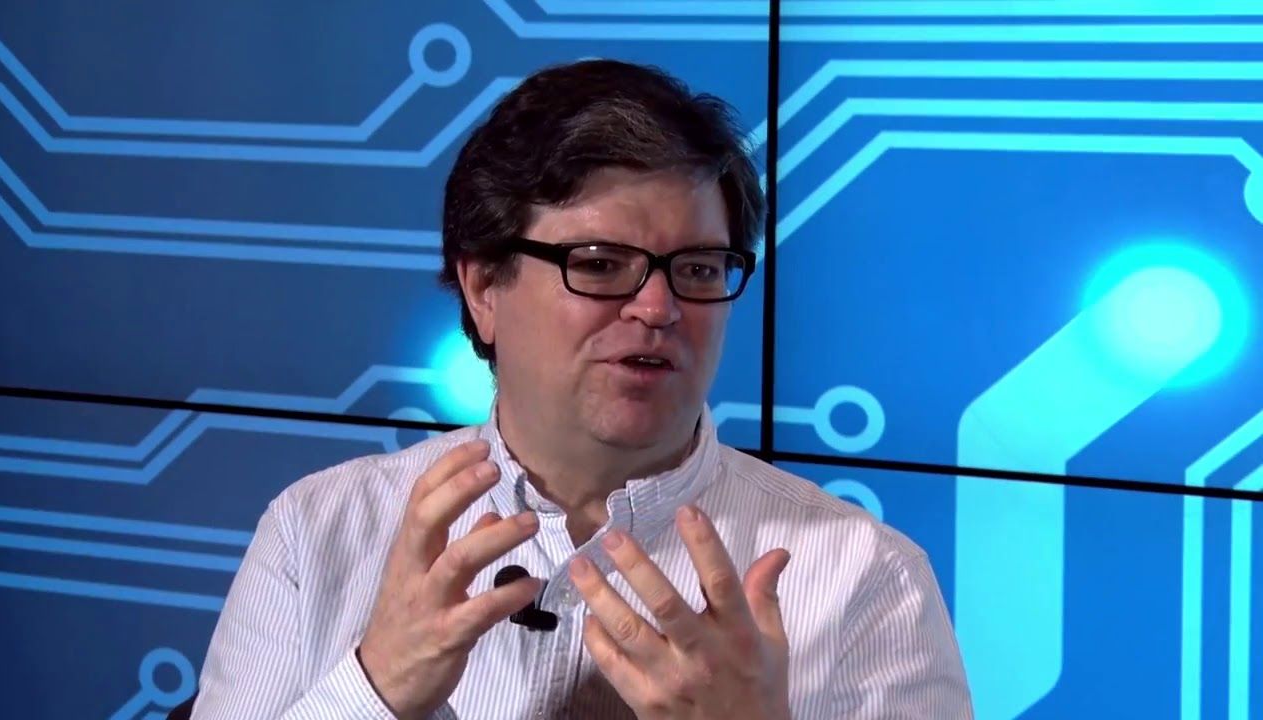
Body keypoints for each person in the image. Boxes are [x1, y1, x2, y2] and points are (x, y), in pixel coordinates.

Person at [190, 59, 973, 719]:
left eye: (699, 269)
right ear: (483, 287)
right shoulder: (318, 532)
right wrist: (374, 690)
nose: (659, 308)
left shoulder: (869, 581)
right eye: (599, 264)